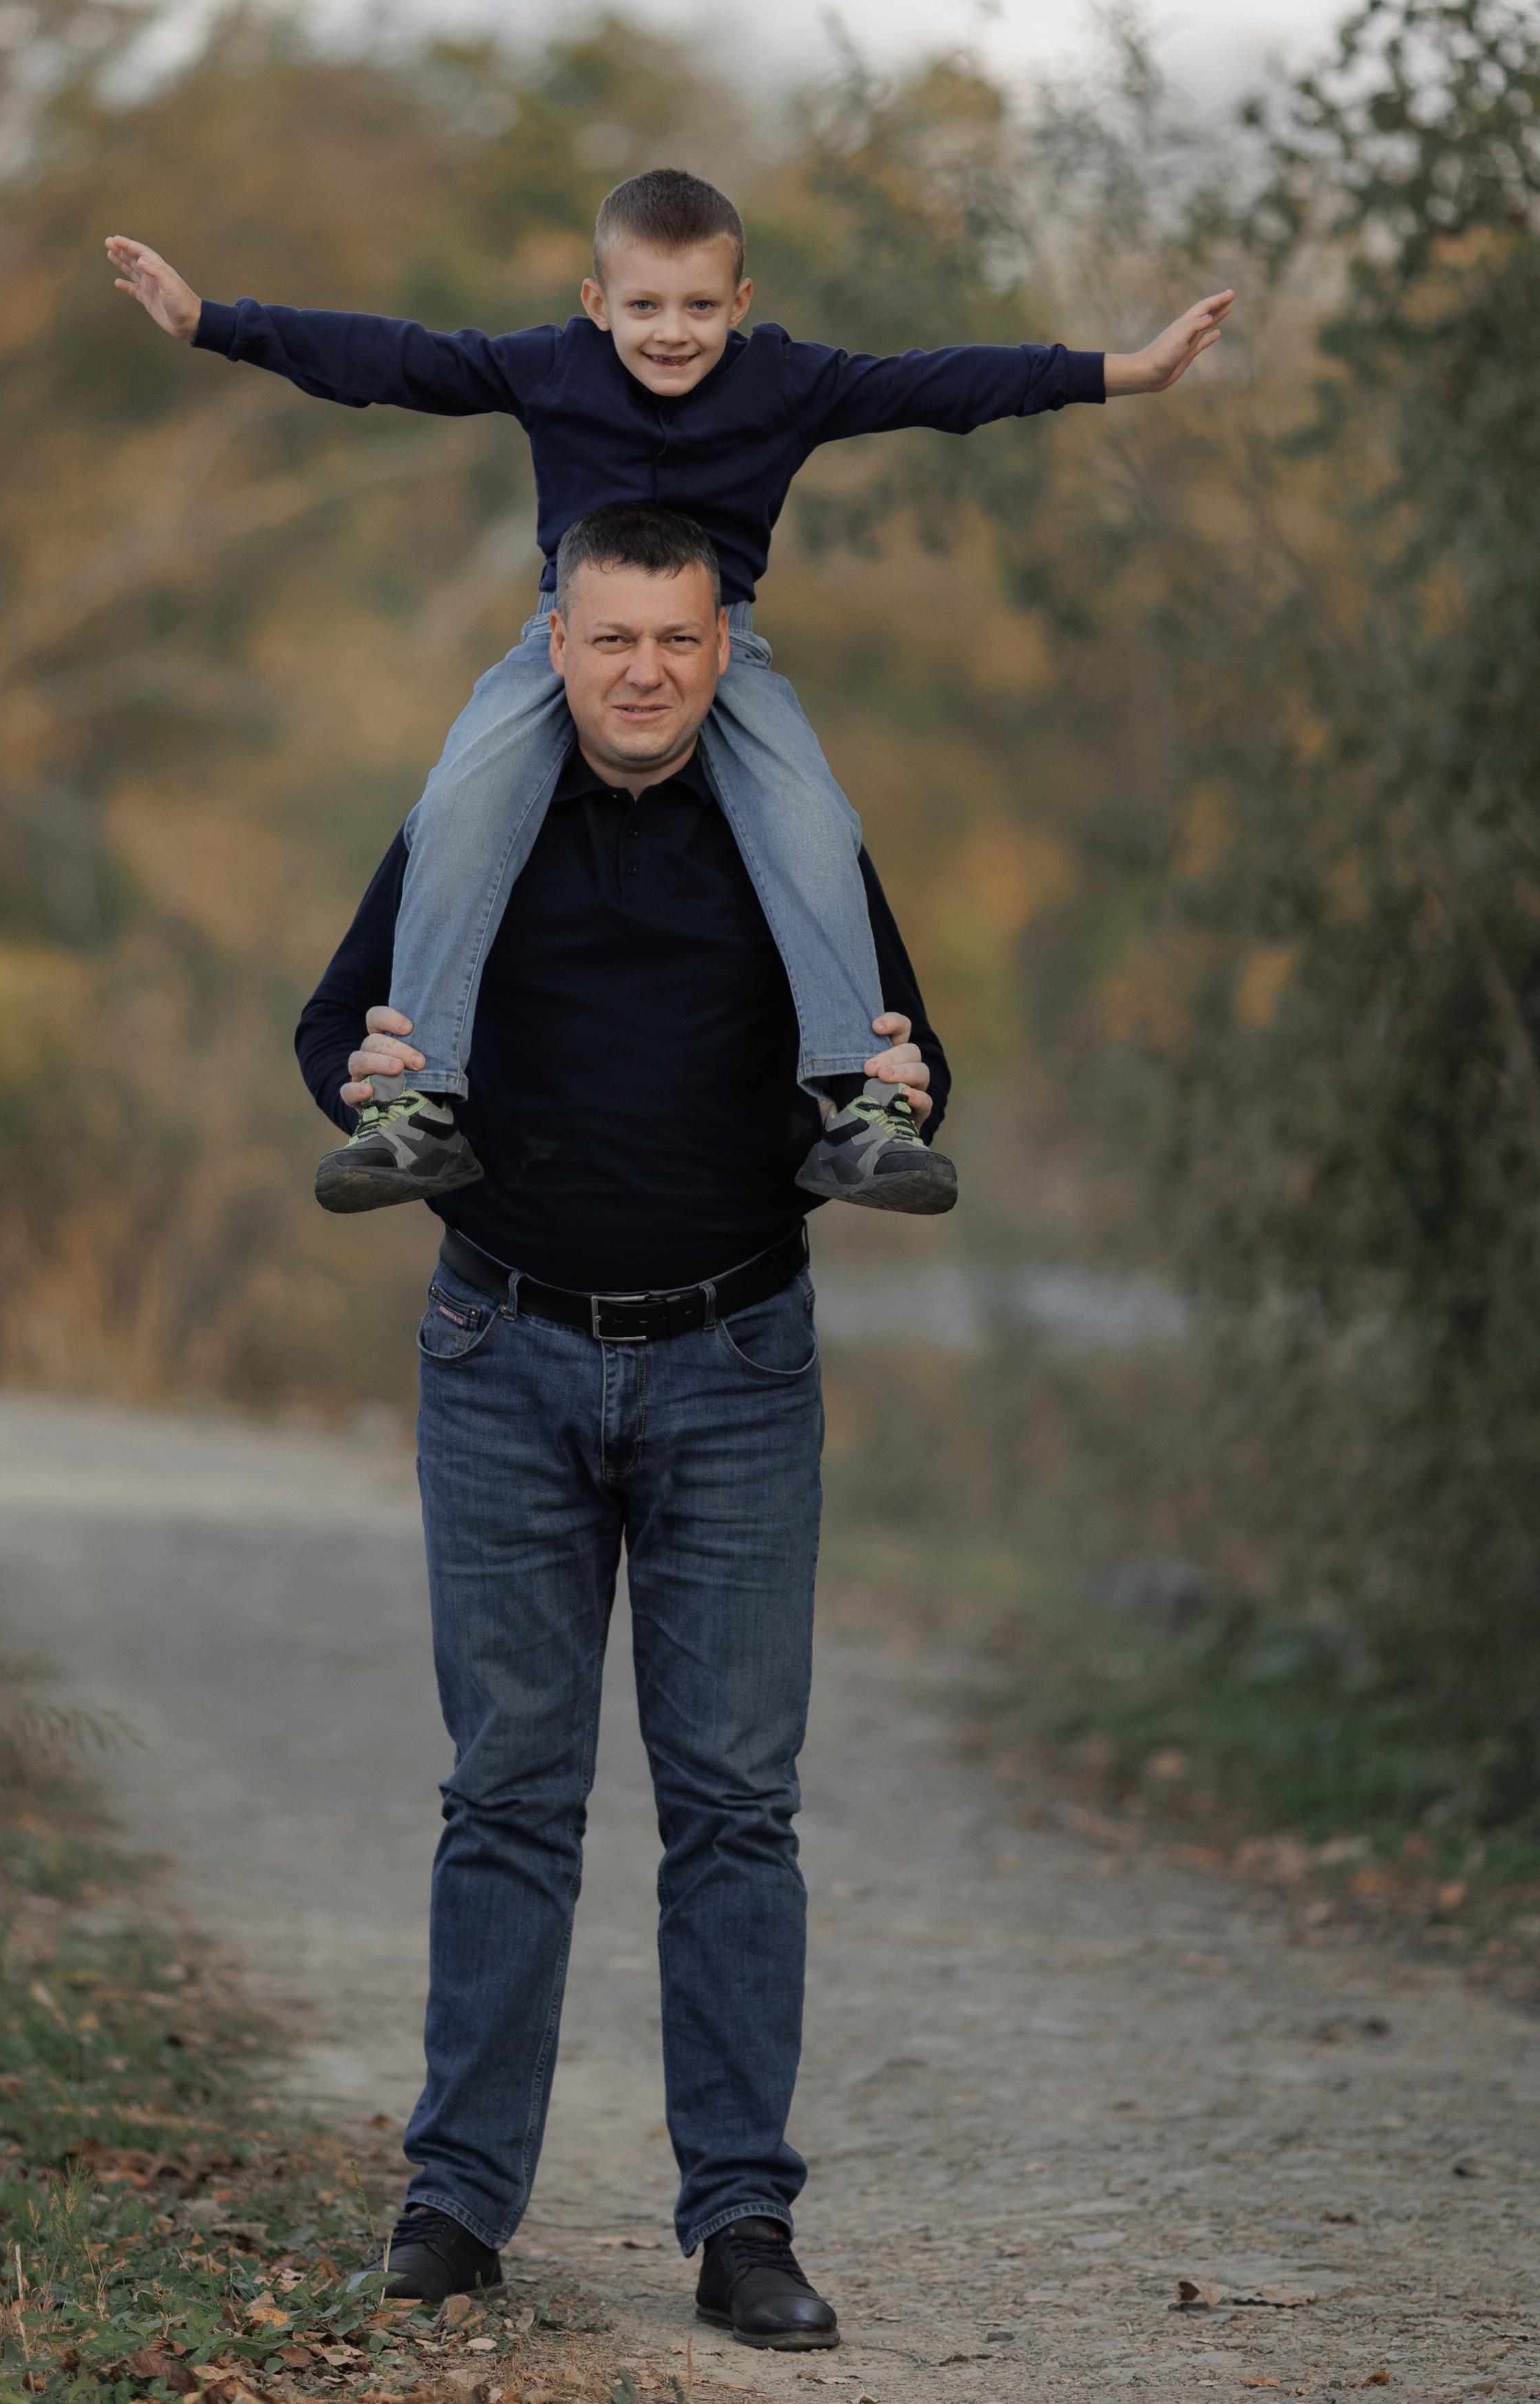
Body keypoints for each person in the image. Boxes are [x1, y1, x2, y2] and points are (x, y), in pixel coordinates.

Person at [294, 502, 949, 2349]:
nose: (644, 671)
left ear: (719, 649)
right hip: (501, 1352)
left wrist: (907, 1074)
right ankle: (455, 2206)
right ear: (555, 645)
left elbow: (902, 1066)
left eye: (676, 641)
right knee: (507, 1796)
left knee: (737, 1807)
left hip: (737, 1364)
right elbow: (343, 1025)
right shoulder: (478, 821)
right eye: (610, 641)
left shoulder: (790, 828)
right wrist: (358, 1073)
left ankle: (743, 2224)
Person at [107, 171, 1230, 1220]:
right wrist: (216, 322)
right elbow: (396, 359)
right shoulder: (553, 366)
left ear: (741, 300)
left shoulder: (786, 381)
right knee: (456, 801)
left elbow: (940, 384)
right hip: (569, 642)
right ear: (596, 301)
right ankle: (414, 1103)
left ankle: (867, 1106)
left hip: (720, 651)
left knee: (813, 819)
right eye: (645, 305)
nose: (673, 333)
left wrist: (1122, 370)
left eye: (701, 306)